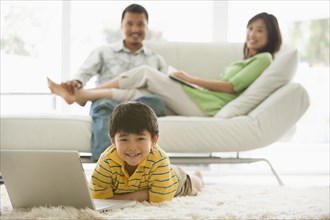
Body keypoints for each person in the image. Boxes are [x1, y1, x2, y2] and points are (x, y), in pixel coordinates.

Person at [48, 12, 282, 117]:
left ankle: (80, 95)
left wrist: (190, 79)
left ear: (270, 35)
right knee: (139, 90)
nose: (252, 34)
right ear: (121, 27)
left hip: (207, 107)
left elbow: (230, 87)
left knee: (145, 73)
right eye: (250, 28)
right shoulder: (248, 60)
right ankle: (80, 94)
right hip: (199, 101)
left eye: (259, 30)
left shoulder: (264, 59)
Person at [56, 4, 169, 161]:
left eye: (140, 24)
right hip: (109, 103)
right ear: (121, 26)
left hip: (141, 104)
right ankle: (106, 167)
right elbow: (83, 74)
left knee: (156, 102)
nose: (135, 29)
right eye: (130, 24)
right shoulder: (104, 52)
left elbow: (164, 88)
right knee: (103, 106)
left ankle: (84, 96)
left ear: (147, 28)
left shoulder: (156, 59)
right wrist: (76, 83)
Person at [89, 101, 203, 202]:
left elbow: (160, 198)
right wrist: (142, 194)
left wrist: (119, 198)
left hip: (174, 179)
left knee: (194, 184)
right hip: (152, 179)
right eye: (124, 139)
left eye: (140, 139)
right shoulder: (106, 161)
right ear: (113, 141)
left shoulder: (159, 160)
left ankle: (197, 176)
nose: (132, 147)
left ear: (154, 140)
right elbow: (98, 196)